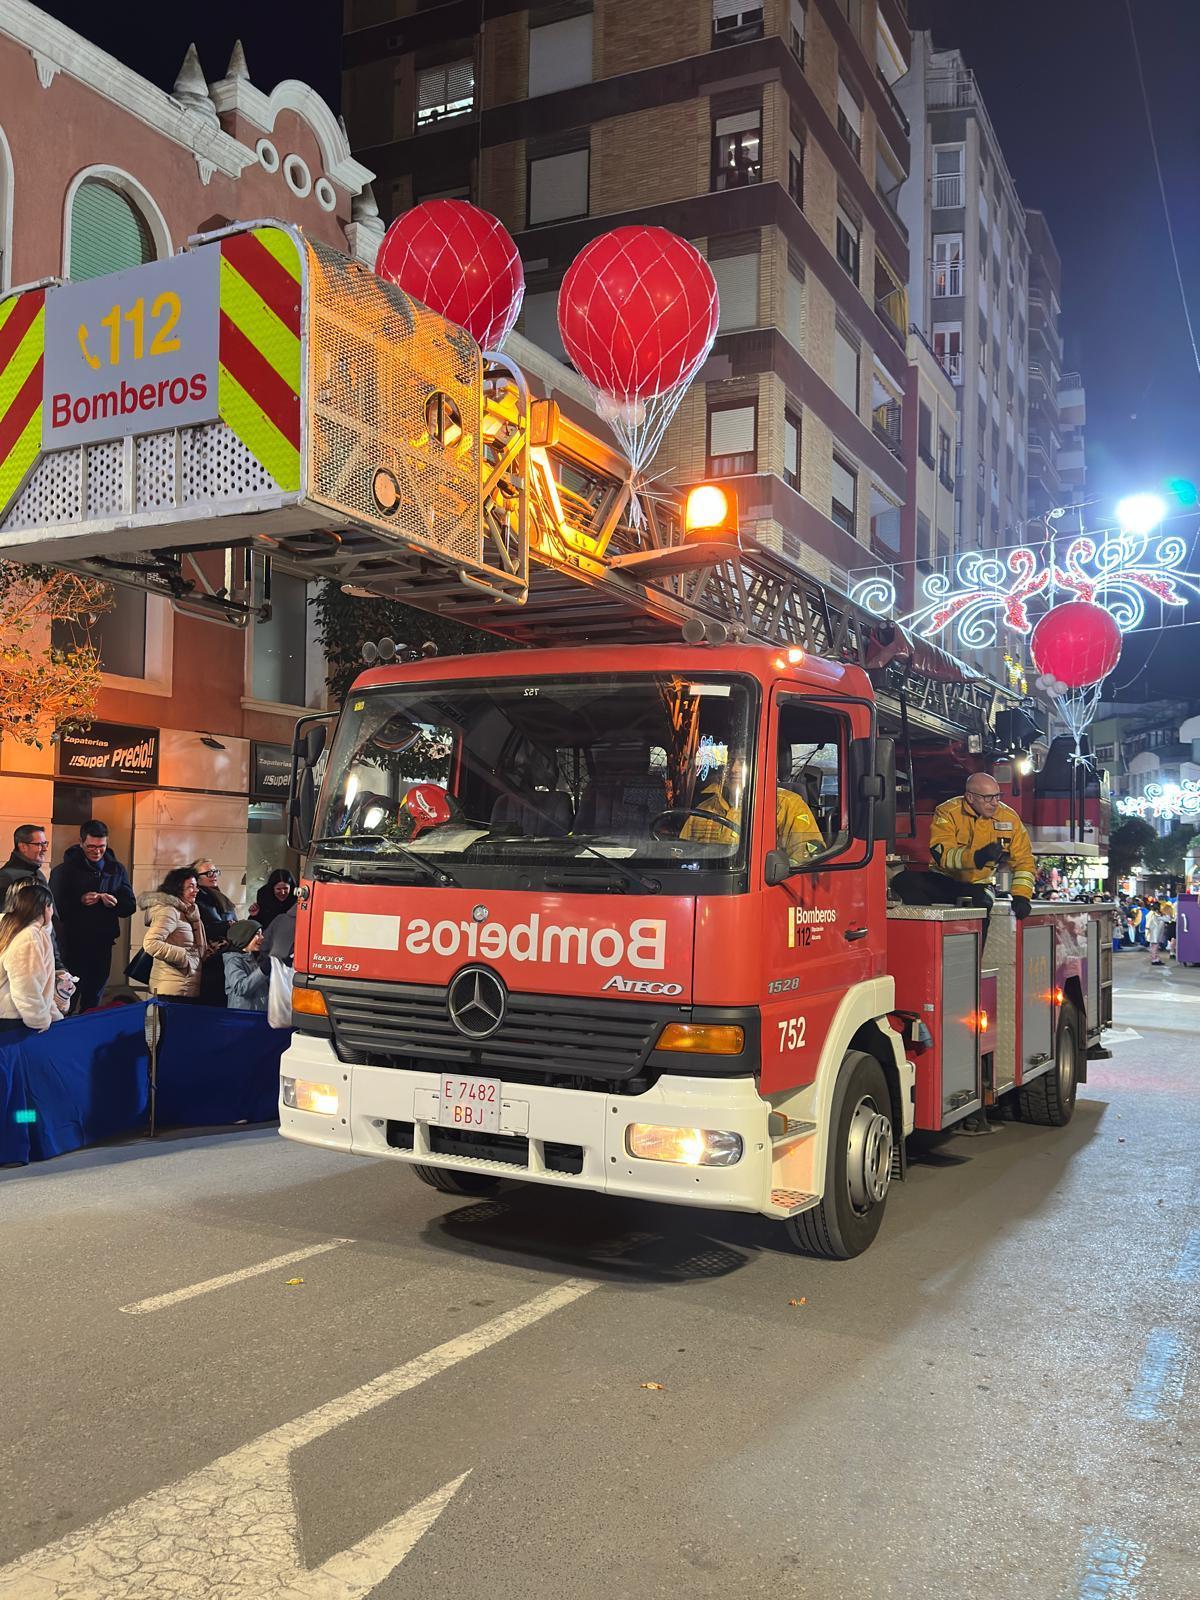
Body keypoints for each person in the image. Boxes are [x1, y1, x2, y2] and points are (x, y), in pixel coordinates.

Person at [890, 772, 1036, 931]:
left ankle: (974, 946)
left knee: (980, 907)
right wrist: (976, 857)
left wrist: (1022, 896)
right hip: (944, 880)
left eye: (997, 796)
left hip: (979, 885)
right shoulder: (948, 811)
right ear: (970, 797)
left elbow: (1024, 861)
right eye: (988, 797)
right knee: (904, 880)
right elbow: (943, 854)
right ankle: (928, 931)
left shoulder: (1009, 818)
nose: (995, 803)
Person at [49, 821, 137, 1013]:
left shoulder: (116, 869)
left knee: (94, 995)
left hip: (102, 942)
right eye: (91, 847)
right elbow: (54, 908)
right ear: (81, 843)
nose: (97, 851)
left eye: (101, 846)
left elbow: (130, 905)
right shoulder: (64, 871)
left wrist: (115, 903)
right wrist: (79, 901)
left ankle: (89, 1025)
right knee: (67, 997)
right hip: (72, 943)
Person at [0, 880, 67, 1035]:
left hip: (12, 1015)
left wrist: (53, 1016)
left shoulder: (15, 929)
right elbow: (26, 985)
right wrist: (39, 1020)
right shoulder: (29, 936)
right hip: (15, 1019)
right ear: (46, 908)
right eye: (51, 907)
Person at [139, 867, 207, 1001]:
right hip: (171, 988)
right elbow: (151, 943)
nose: (196, 890)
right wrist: (184, 958)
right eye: (191, 886)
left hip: (183, 987)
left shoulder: (188, 912)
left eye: (196, 886)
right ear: (178, 888)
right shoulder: (169, 911)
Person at [222, 920, 270, 1011]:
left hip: (258, 1013)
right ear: (245, 937)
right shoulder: (233, 961)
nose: (262, 937)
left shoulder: (252, 957)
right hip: (243, 1015)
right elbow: (240, 988)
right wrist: (263, 971)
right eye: (257, 934)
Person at [192, 859, 238, 949]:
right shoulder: (197, 899)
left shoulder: (218, 896)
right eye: (209, 873)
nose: (214, 876)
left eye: (215, 872)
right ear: (197, 878)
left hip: (229, 945)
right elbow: (203, 929)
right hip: (215, 949)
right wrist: (228, 925)